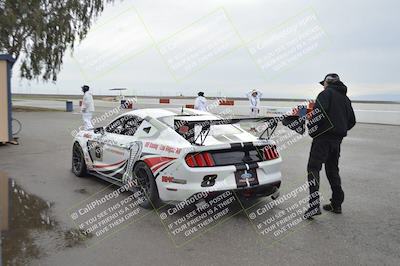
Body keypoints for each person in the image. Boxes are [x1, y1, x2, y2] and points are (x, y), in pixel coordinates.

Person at [304, 73, 356, 219]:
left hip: (322, 139)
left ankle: (314, 205)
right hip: (337, 141)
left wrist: (313, 131)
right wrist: (340, 131)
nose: (323, 86)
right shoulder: (346, 99)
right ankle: (337, 203)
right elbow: (352, 121)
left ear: (327, 83)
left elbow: (318, 114)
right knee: (332, 169)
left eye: (324, 83)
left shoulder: (325, 94)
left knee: (313, 169)